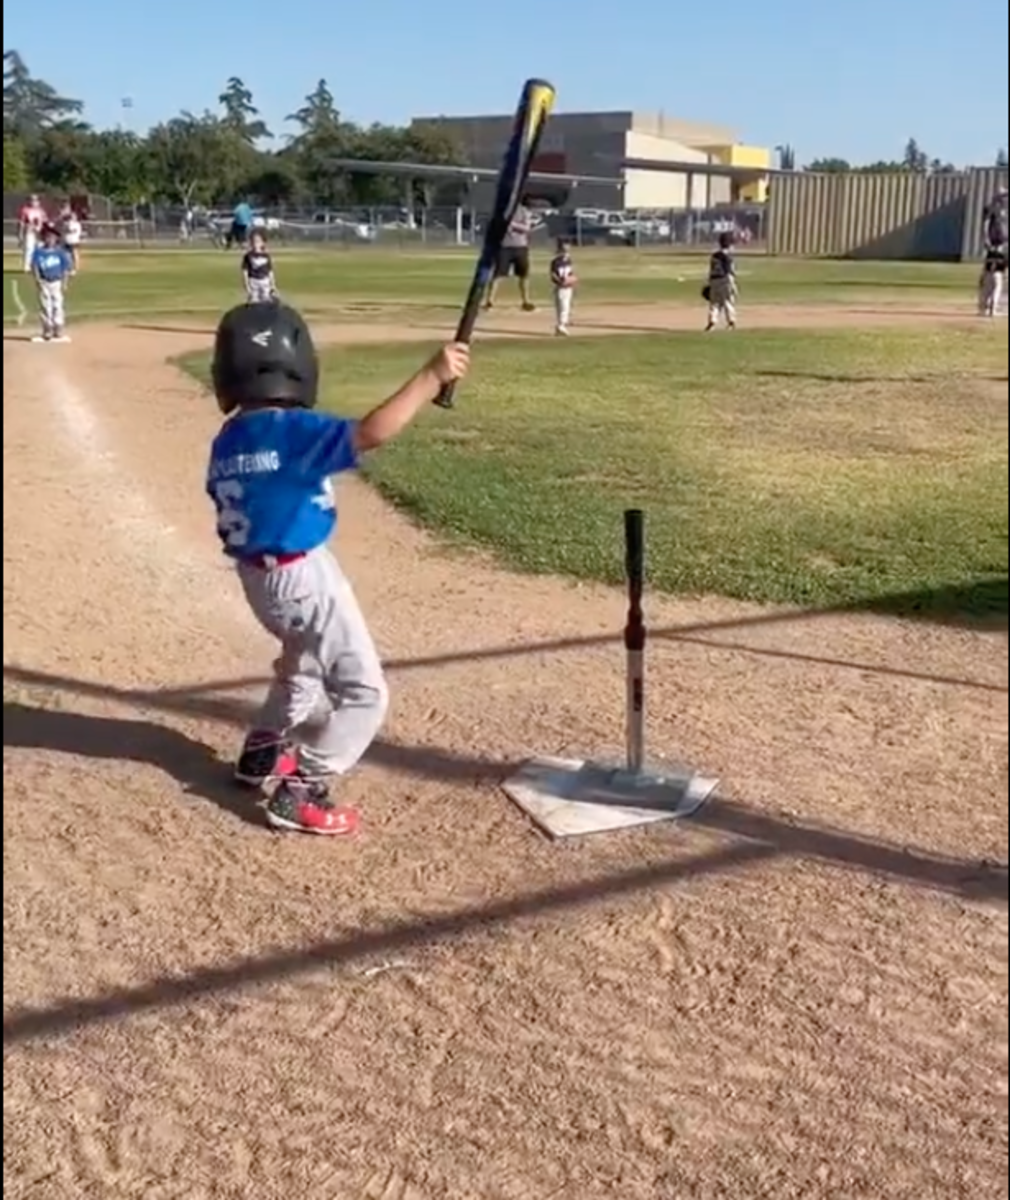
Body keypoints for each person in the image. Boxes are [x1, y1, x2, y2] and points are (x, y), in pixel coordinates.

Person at [206, 302, 470, 836]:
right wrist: (430, 376)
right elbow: (371, 432)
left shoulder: (231, 438)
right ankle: (303, 785)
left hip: (262, 579)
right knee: (364, 693)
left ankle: (263, 749)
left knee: (301, 665)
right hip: (302, 576)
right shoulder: (291, 430)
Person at [484, 198, 536, 311]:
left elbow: (527, 228)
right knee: (498, 274)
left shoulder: (523, 211)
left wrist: (512, 224)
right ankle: (489, 301)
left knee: (524, 275)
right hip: (504, 247)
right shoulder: (502, 211)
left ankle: (526, 301)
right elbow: (494, 225)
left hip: (520, 247)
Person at [31, 224, 75, 343]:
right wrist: (37, 279)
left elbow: (65, 269)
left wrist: (65, 283)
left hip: (57, 282)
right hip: (44, 281)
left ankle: (58, 328)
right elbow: (34, 267)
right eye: (47, 237)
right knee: (46, 306)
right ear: (44, 238)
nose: (50, 240)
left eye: (52, 238)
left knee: (57, 305)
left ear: (56, 239)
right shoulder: (39, 252)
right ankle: (47, 329)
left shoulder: (59, 252)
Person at [703, 231, 738, 331]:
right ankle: (731, 322)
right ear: (730, 244)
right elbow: (730, 271)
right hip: (725, 280)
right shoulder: (728, 257)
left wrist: (709, 283)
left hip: (714, 280)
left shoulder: (714, 256)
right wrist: (733, 285)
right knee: (728, 301)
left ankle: (712, 322)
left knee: (714, 303)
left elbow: (711, 270)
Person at [549, 237, 578, 336]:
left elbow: (570, 273)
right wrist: (560, 282)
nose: (568, 247)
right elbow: (553, 275)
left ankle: (561, 325)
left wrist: (572, 279)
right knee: (562, 307)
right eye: (565, 245)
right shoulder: (556, 261)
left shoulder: (568, 260)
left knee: (565, 307)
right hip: (560, 287)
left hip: (567, 287)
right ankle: (561, 326)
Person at [241, 230, 278, 303]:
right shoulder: (248, 256)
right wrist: (247, 285)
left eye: (258, 241)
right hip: (253, 281)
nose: (255, 244)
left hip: (265, 281)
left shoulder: (266, 256)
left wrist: (273, 284)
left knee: (266, 301)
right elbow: (245, 271)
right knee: (254, 302)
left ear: (262, 243)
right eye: (253, 241)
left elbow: (270, 271)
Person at [18, 193, 48, 274]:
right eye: (31, 200)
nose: (33, 202)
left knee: (40, 248)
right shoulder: (25, 210)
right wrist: (20, 234)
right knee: (29, 249)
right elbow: (22, 223)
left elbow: (45, 221)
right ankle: (27, 267)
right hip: (29, 232)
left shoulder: (41, 210)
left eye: (35, 200)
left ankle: (39, 266)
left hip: (39, 233)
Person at [62, 206, 84, 271]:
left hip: (74, 241)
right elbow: (64, 230)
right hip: (67, 241)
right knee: (67, 255)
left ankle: (76, 267)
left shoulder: (77, 224)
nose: (71, 217)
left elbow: (71, 230)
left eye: (73, 216)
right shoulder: (66, 223)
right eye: (71, 216)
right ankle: (69, 267)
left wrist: (68, 227)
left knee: (74, 254)